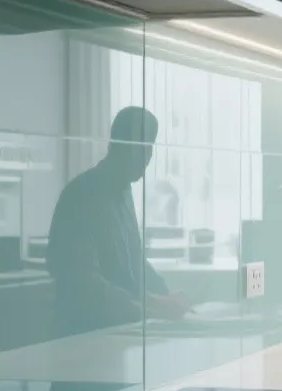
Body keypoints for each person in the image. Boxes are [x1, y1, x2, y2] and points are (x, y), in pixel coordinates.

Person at [46, 106, 191, 336]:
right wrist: (152, 306)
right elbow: (85, 286)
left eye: (150, 149)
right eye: (141, 148)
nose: (147, 158)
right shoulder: (82, 195)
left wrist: (167, 294)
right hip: (83, 336)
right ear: (119, 144)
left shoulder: (123, 193)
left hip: (122, 332)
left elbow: (133, 264)